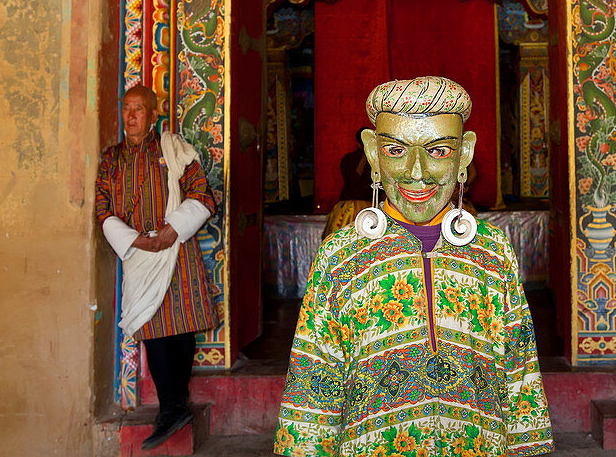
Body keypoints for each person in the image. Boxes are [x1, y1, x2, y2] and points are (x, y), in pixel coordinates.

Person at [276, 76, 553, 457]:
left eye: (439, 151)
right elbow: (314, 381)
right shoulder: (341, 255)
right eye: (395, 150)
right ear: (372, 153)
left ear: (465, 153)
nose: (417, 171)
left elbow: (520, 373)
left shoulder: (493, 251)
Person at [94, 85, 218, 450]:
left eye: (139, 110)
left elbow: (202, 195)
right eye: (126, 109)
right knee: (153, 326)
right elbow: (103, 209)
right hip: (139, 251)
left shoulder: (171, 149)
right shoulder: (111, 159)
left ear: (152, 116)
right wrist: (134, 240)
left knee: (180, 326)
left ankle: (175, 405)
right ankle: (170, 407)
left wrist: (171, 230)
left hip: (174, 248)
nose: (131, 117)